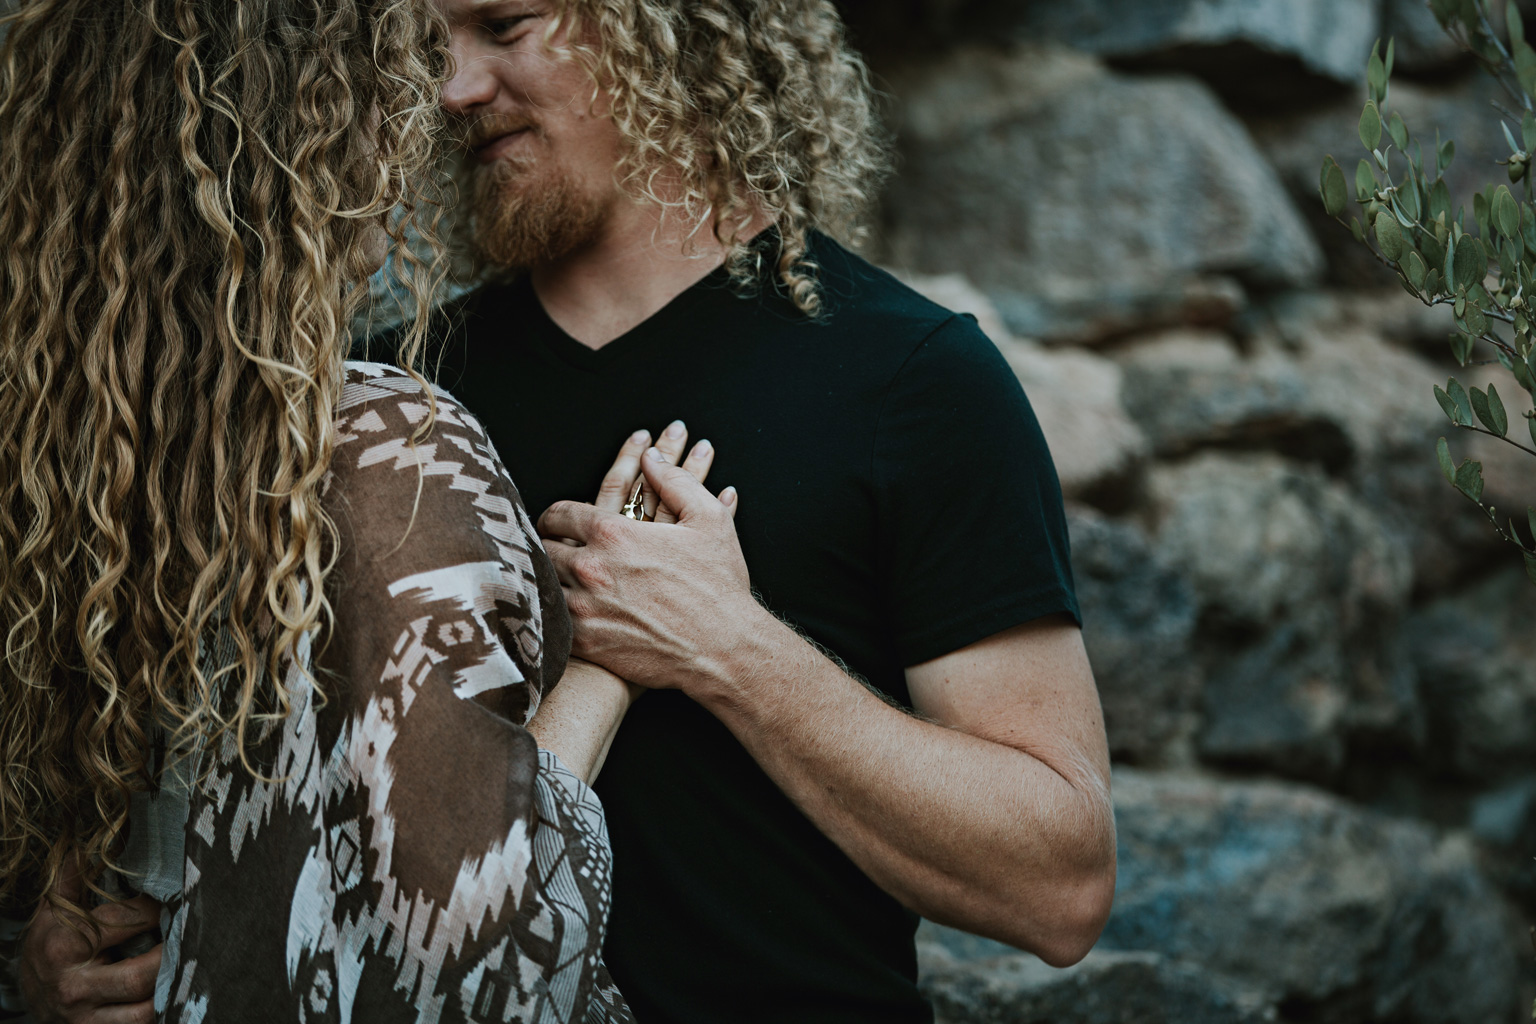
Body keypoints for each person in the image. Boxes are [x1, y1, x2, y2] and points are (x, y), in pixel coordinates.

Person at [425, 1, 1118, 1022]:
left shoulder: (913, 383)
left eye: (506, 24)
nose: (456, 88)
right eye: (428, 47)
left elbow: (1061, 883)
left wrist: (728, 647)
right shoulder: (402, 396)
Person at [0, 1, 690, 1020]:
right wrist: (607, 666)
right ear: (300, 137)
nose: (420, 121)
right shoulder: (383, 444)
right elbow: (476, 951)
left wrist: (36, 966)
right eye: (386, 85)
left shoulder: (67, 455)